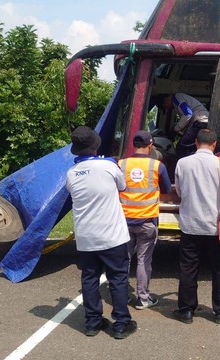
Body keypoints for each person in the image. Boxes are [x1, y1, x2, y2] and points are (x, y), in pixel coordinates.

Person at [65, 126, 137, 339]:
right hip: (112, 236)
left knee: (89, 279)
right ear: (96, 146)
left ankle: (92, 323)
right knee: (118, 279)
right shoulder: (108, 166)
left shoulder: (70, 174)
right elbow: (122, 186)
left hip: (86, 238)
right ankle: (121, 322)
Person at [173, 129, 220, 324]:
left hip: (190, 225)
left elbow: (179, 191)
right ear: (214, 144)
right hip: (216, 226)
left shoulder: (182, 163)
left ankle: (186, 310)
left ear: (195, 142)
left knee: (188, 268)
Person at [118, 130, 171, 310]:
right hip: (147, 221)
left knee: (123, 260)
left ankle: (122, 296)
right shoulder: (157, 166)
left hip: (124, 221)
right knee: (143, 260)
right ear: (150, 145)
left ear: (134, 145)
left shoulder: (121, 165)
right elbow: (165, 189)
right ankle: (143, 298)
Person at [160, 93, 209, 157]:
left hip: (200, 122)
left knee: (182, 147)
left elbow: (187, 114)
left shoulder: (177, 98)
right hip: (201, 122)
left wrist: (175, 130)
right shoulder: (179, 100)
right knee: (191, 147)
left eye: (165, 105)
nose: (166, 107)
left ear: (166, 99)